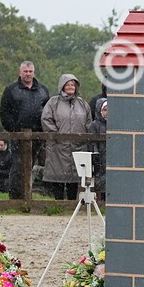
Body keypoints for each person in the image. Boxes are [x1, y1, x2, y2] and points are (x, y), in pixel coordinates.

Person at [0, 61, 50, 199]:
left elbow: (48, 111)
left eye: (30, 71)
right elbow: (4, 112)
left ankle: (27, 193)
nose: (28, 74)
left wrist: (43, 130)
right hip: (18, 134)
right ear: (20, 72)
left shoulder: (43, 90)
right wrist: (14, 129)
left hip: (37, 134)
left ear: (34, 72)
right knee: (18, 164)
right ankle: (15, 196)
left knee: (31, 164)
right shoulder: (11, 90)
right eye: (25, 71)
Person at [41, 73, 92, 201]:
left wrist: (83, 138)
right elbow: (46, 120)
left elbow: (89, 122)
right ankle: (58, 204)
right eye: (68, 84)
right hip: (58, 147)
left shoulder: (82, 103)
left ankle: (71, 204)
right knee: (58, 176)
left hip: (78, 146)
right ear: (62, 86)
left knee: (74, 177)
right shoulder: (53, 102)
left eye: (72, 85)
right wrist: (57, 135)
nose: (70, 87)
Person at [87, 98, 108, 202]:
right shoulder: (95, 125)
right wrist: (96, 155)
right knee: (100, 181)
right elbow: (92, 142)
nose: (107, 112)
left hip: (111, 158)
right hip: (100, 158)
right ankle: (100, 202)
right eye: (105, 110)